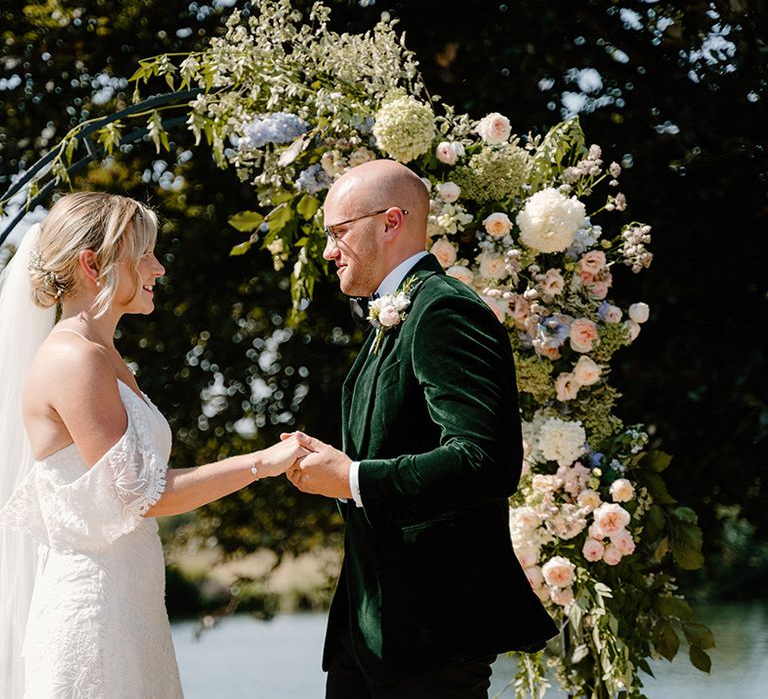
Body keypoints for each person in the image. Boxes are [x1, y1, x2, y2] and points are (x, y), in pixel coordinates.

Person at [0, 192, 306, 698]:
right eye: (144, 253)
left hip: (128, 605)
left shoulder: (103, 354)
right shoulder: (75, 359)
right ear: (92, 264)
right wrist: (261, 462)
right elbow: (144, 496)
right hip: (95, 615)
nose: (159, 268)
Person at [285, 159, 559, 698]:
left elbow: (486, 460)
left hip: (431, 631)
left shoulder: (445, 310)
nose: (328, 251)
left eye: (339, 232)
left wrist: (355, 478)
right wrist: (335, 464)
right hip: (372, 630)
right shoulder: (396, 314)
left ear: (391, 222)